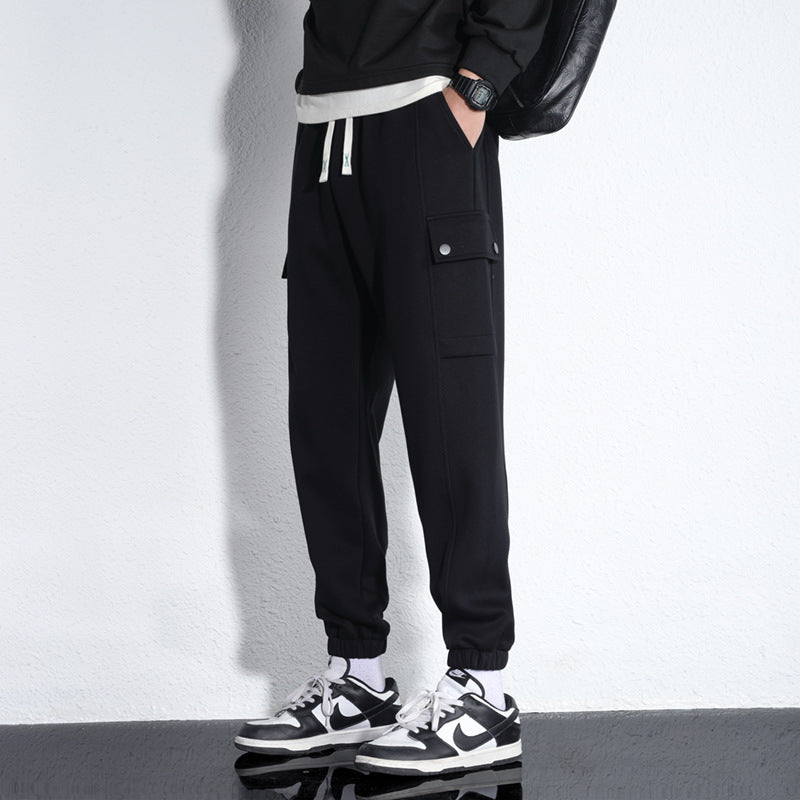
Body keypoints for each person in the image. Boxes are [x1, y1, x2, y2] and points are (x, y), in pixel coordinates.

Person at [235, 0, 551, 776]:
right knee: (327, 425)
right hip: (322, 131)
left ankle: (483, 687)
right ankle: (357, 677)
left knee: (451, 424)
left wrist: (475, 89)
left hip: (427, 118)